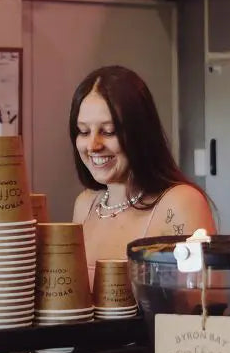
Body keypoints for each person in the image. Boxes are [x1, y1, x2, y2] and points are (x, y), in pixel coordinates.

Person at [69, 66, 215, 270]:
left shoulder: (180, 203)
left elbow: (204, 297)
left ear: (140, 133)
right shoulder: (85, 205)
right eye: (83, 132)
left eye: (109, 131)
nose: (93, 145)